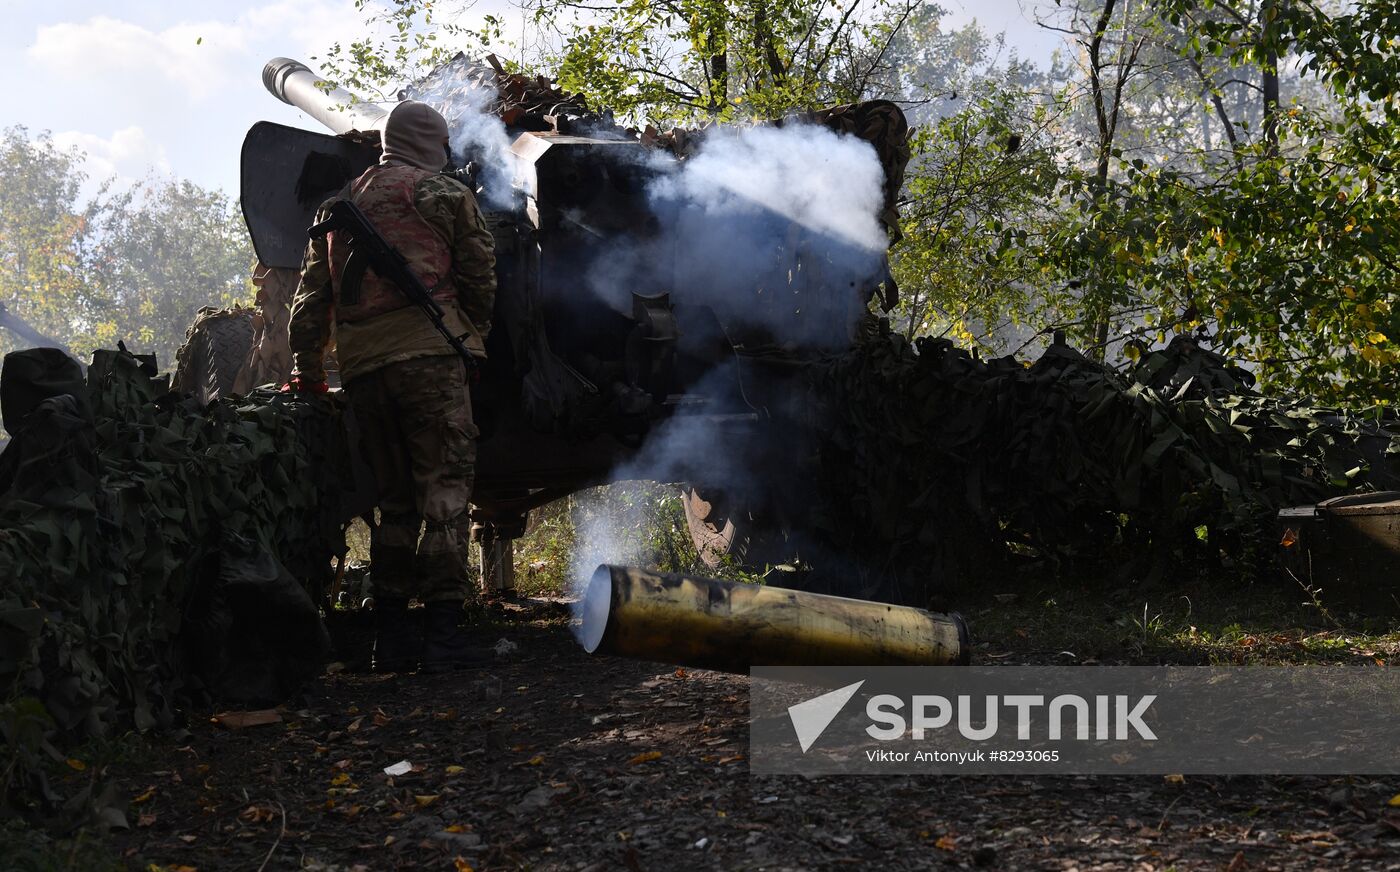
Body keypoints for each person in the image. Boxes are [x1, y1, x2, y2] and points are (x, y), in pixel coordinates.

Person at [285, 100, 497, 673]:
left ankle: (394, 639)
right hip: (430, 359)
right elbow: (480, 274)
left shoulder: (338, 206)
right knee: (445, 494)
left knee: (395, 502)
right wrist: (472, 336)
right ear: (434, 143)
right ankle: (445, 637)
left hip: (363, 371)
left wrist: (308, 371)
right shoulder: (444, 194)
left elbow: (309, 305)